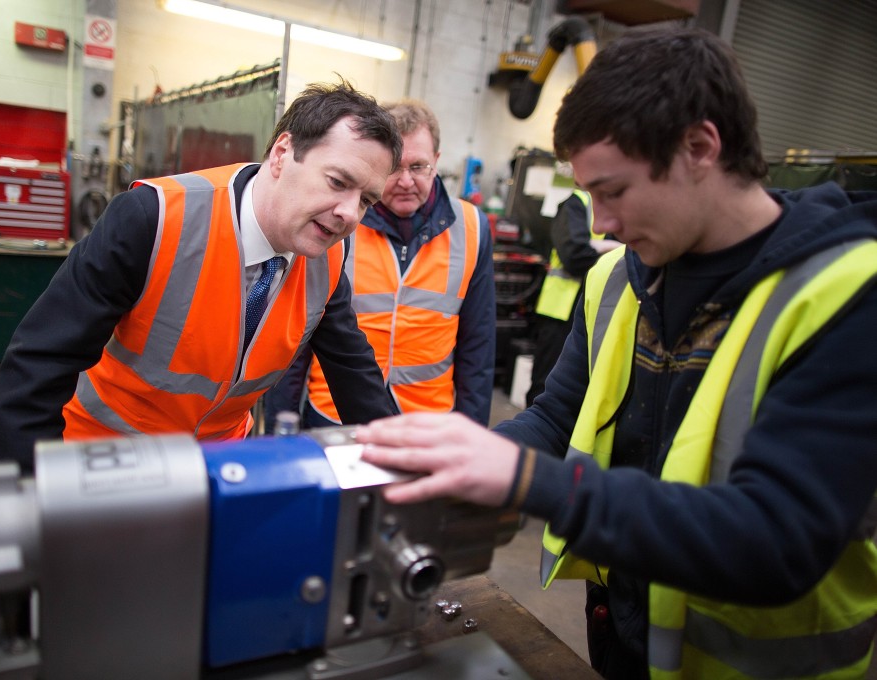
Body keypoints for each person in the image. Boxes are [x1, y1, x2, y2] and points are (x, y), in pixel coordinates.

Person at [357, 27, 877, 679]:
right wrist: (457, 460)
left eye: (613, 191)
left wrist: (524, 481)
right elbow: (556, 416)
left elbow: (776, 541)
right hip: (625, 631)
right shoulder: (618, 279)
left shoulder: (848, 291)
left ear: (699, 148)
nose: (598, 223)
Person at [0, 80, 403, 472]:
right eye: (337, 181)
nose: (350, 213)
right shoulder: (153, 219)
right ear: (281, 154)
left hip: (214, 471)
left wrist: (406, 462)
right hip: (104, 460)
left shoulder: (328, 257)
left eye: (366, 200)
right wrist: (26, 495)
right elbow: (38, 365)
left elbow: (355, 375)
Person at [265, 99, 496, 428]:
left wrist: (471, 432)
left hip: (427, 420)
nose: (405, 181)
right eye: (395, 169)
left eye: (418, 167)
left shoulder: (472, 228)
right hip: (335, 415)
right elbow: (294, 336)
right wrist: (280, 426)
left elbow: (479, 344)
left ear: (437, 161)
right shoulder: (336, 222)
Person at [527, 187, 620, 403]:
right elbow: (574, 256)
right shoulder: (577, 204)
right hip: (560, 310)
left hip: (599, 314)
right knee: (545, 386)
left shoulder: (624, 207)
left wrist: (599, 247)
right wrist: (611, 248)